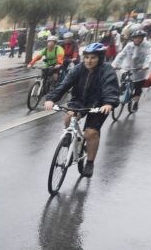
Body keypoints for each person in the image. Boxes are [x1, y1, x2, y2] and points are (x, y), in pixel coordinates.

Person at [43, 42, 119, 178]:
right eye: (87, 57)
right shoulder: (78, 69)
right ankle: (76, 143)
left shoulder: (107, 70)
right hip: (79, 101)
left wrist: (109, 103)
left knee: (90, 133)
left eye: (93, 57)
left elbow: (110, 87)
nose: (89, 61)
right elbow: (64, 84)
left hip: (99, 104)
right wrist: (51, 99)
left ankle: (89, 162)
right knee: (68, 119)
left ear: (100, 58)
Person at [112, 25, 151, 112]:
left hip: (140, 70)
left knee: (138, 89)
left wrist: (146, 65)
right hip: (128, 68)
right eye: (135, 38)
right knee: (123, 83)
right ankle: (121, 95)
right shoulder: (129, 45)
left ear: (142, 38)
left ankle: (135, 103)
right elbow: (121, 55)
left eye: (139, 38)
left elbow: (149, 55)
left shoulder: (147, 45)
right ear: (133, 38)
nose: (137, 39)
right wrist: (115, 64)